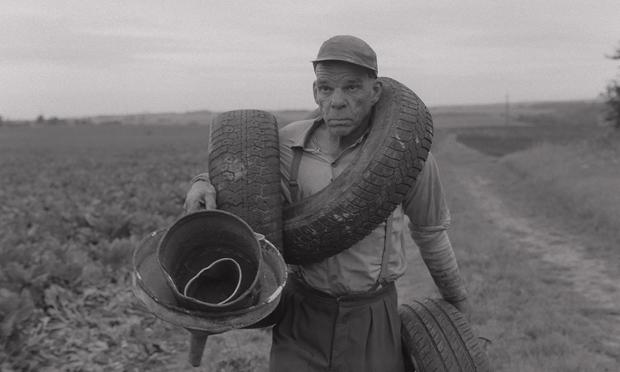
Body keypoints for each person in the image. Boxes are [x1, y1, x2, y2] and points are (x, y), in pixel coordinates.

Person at [184, 35, 472, 372]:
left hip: (372, 316)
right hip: (302, 313)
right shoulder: (287, 144)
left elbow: (431, 232)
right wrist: (201, 183)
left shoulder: (405, 155)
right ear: (315, 91)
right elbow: (240, 178)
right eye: (326, 88)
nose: (337, 101)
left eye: (352, 88)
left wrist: (457, 301)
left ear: (375, 92)